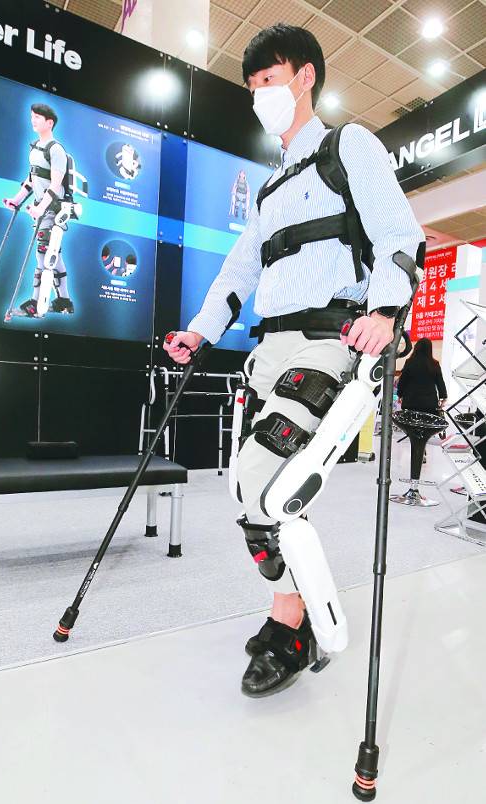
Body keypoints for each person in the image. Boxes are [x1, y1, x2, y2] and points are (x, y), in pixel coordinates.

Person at [164, 24, 425, 698]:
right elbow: (238, 271)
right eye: (252, 85)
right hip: (268, 352)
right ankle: (291, 608)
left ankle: (298, 625)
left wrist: (386, 312)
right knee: (246, 490)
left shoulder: (348, 146)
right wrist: (199, 331)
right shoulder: (269, 188)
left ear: (305, 76)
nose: (260, 94)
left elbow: (399, 234)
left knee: (266, 484)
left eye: (269, 79)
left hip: (326, 343)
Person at [3, 103, 74, 316]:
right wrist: (16, 200)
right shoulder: (34, 147)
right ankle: (64, 301)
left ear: (49, 122)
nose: (33, 120)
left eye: (37, 117)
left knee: (44, 254)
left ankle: (35, 303)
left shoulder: (56, 149)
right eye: (32, 116)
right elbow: (32, 179)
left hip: (54, 209)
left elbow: (56, 184)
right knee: (54, 254)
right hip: (42, 210)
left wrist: (41, 207)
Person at [397, 337, 447, 414]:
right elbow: (440, 382)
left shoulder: (409, 362)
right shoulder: (434, 364)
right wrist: (443, 397)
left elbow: (403, 381)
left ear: (416, 348)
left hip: (410, 402)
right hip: (429, 404)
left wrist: (400, 394)